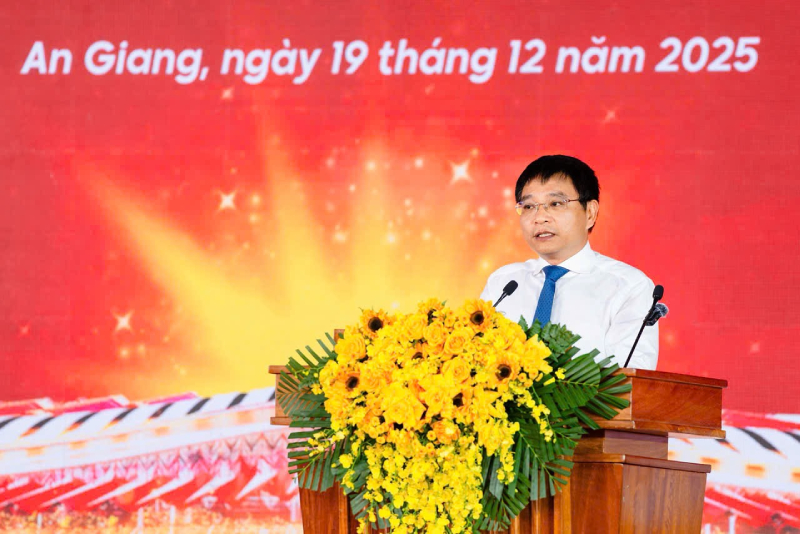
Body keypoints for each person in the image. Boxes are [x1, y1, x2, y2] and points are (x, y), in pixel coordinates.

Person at [480, 155, 658, 369]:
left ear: (590, 213)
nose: (540, 217)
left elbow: (631, 381)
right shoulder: (504, 283)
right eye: (528, 206)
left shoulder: (628, 287)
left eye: (555, 203)